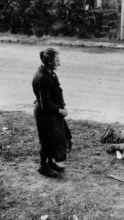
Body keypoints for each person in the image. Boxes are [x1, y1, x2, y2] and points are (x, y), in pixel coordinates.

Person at [32, 48, 72, 177]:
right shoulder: (43, 77)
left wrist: (62, 105)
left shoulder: (49, 73)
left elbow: (56, 92)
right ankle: (43, 167)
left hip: (51, 113)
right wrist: (61, 111)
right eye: (57, 61)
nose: (59, 64)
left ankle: (50, 163)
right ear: (49, 62)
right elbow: (46, 104)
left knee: (53, 139)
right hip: (44, 114)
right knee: (46, 140)